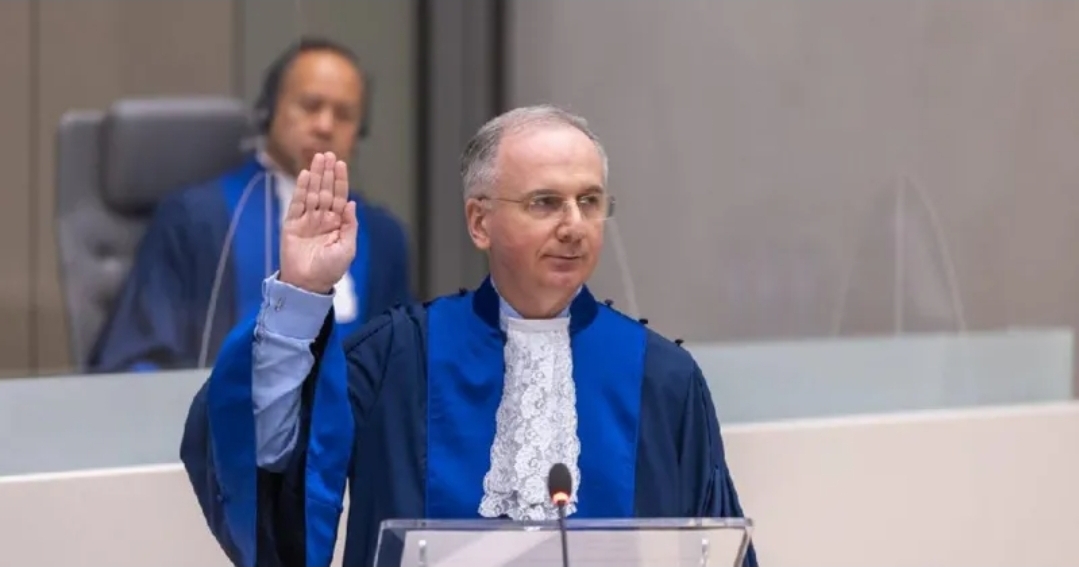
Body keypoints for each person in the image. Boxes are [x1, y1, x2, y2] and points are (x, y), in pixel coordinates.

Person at [180, 105, 757, 567]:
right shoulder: (397, 359)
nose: (574, 226)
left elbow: (715, 548)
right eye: (545, 203)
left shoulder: (664, 379)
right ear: (480, 222)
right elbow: (272, 467)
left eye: (589, 202)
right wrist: (302, 293)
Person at [88, 36, 412, 373]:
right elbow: (136, 364)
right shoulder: (195, 218)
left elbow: (401, 367)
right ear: (269, 111)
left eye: (343, 115)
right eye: (310, 106)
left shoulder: (382, 237)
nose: (325, 126)